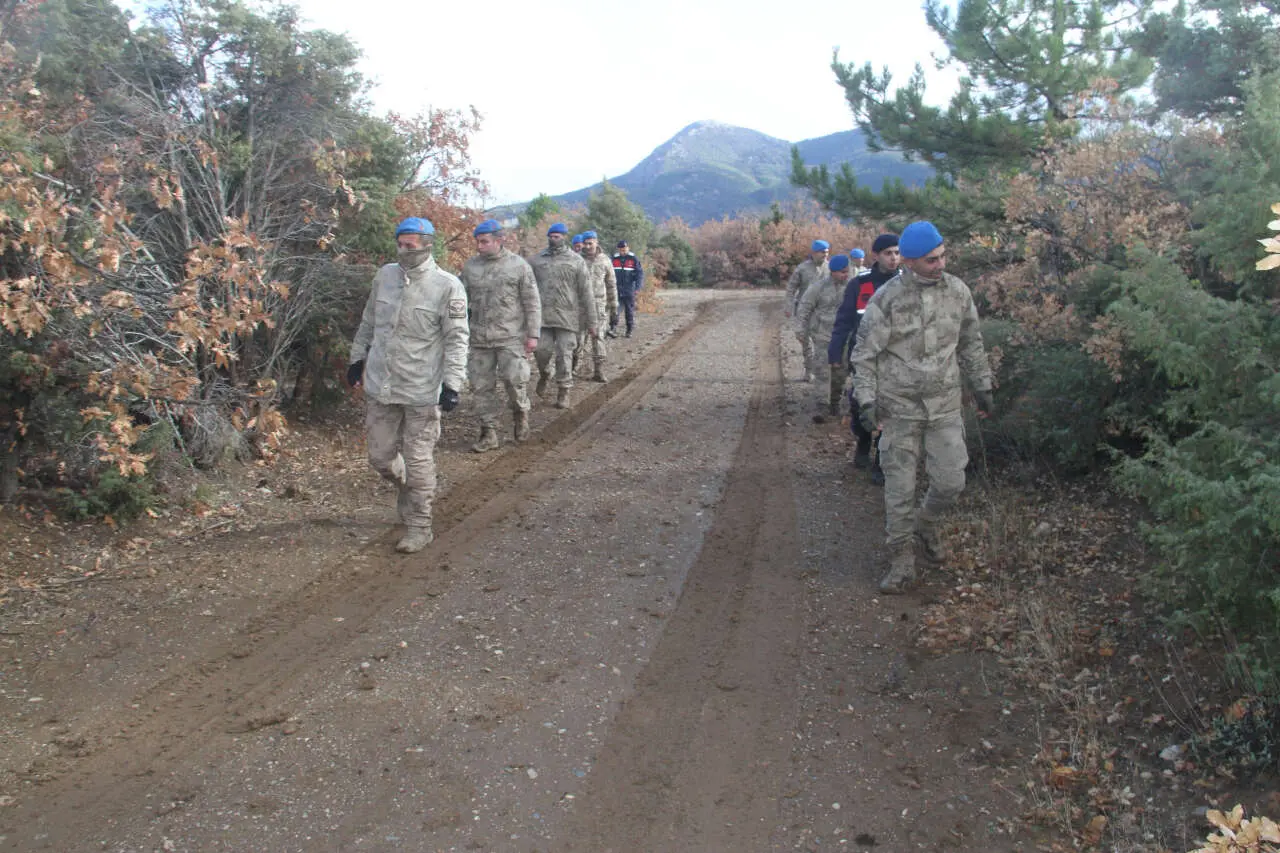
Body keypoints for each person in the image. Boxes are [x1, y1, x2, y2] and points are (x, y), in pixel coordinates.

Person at [850, 221, 994, 594]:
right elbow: (864, 355)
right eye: (932, 260)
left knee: (951, 482)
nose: (940, 264)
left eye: (943, 256)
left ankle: (925, 525)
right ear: (910, 261)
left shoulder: (958, 292)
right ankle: (901, 561)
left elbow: (971, 342)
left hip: (944, 406)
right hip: (899, 410)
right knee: (899, 489)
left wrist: (982, 385)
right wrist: (866, 399)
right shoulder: (887, 299)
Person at [347, 217, 469, 554]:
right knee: (380, 458)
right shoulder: (385, 276)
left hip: (422, 389)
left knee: (418, 460)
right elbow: (369, 321)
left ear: (427, 244)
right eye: (400, 244)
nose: (404, 250)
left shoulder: (447, 286)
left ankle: (419, 526)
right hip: (381, 385)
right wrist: (356, 359)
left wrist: (452, 384)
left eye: (410, 245)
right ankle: (404, 488)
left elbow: (457, 339)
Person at [459, 218, 541, 453]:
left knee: (515, 382)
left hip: (510, 337)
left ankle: (521, 415)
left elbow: (532, 302)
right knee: (480, 387)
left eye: (484, 242)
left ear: (499, 240)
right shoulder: (470, 267)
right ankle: (488, 432)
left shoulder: (519, 266)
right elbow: (459, 300)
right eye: (477, 242)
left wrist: (533, 334)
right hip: (479, 338)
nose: (479, 246)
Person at [828, 233, 902, 485]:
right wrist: (835, 352)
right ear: (876, 255)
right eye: (888, 253)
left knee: (891, 410)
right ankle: (862, 440)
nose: (894, 258)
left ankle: (882, 460)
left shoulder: (907, 283)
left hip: (896, 360)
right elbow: (844, 321)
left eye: (897, 253)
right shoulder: (860, 284)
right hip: (863, 358)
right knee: (860, 405)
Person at [530, 223, 596, 409]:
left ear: (565, 237)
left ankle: (564, 390)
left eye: (557, 236)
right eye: (551, 236)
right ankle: (545, 373)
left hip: (567, 318)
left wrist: (592, 321)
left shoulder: (576, 261)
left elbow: (587, 292)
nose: (553, 239)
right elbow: (526, 288)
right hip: (543, 317)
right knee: (541, 352)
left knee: (564, 355)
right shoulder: (536, 261)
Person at [795, 253, 852, 416]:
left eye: (847, 272)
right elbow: (804, 308)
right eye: (842, 272)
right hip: (823, 336)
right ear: (833, 271)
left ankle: (835, 402)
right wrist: (800, 329)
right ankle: (822, 405)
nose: (845, 275)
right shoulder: (817, 288)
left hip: (844, 338)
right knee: (822, 371)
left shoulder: (852, 287)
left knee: (841, 372)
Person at [576, 230, 618, 382]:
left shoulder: (605, 261)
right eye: (585, 244)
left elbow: (611, 284)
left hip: (599, 305)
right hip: (579, 306)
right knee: (577, 339)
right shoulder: (576, 260)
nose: (587, 246)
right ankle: (573, 368)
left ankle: (598, 371)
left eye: (590, 243)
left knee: (598, 337)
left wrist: (614, 307)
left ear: (596, 242)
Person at [785, 239, 830, 380]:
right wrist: (788, 306)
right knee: (805, 341)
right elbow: (791, 288)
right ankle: (809, 370)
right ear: (814, 253)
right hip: (803, 311)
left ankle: (820, 371)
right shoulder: (802, 269)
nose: (825, 255)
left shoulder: (830, 269)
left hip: (822, 312)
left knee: (821, 343)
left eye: (827, 252)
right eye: (822, 252)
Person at [609, 240, 643, 338]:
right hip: (616, 289)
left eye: (624, 250)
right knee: (615, 309)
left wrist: (637, 288)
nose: (623, 252)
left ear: (628, 248)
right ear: (618, 249)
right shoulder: (614, 259)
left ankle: (629, 330)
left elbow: (639, 274)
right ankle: (612, 328)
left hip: (629, 289)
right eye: (621, 250)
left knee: (629, 311)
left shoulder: (633, 259)